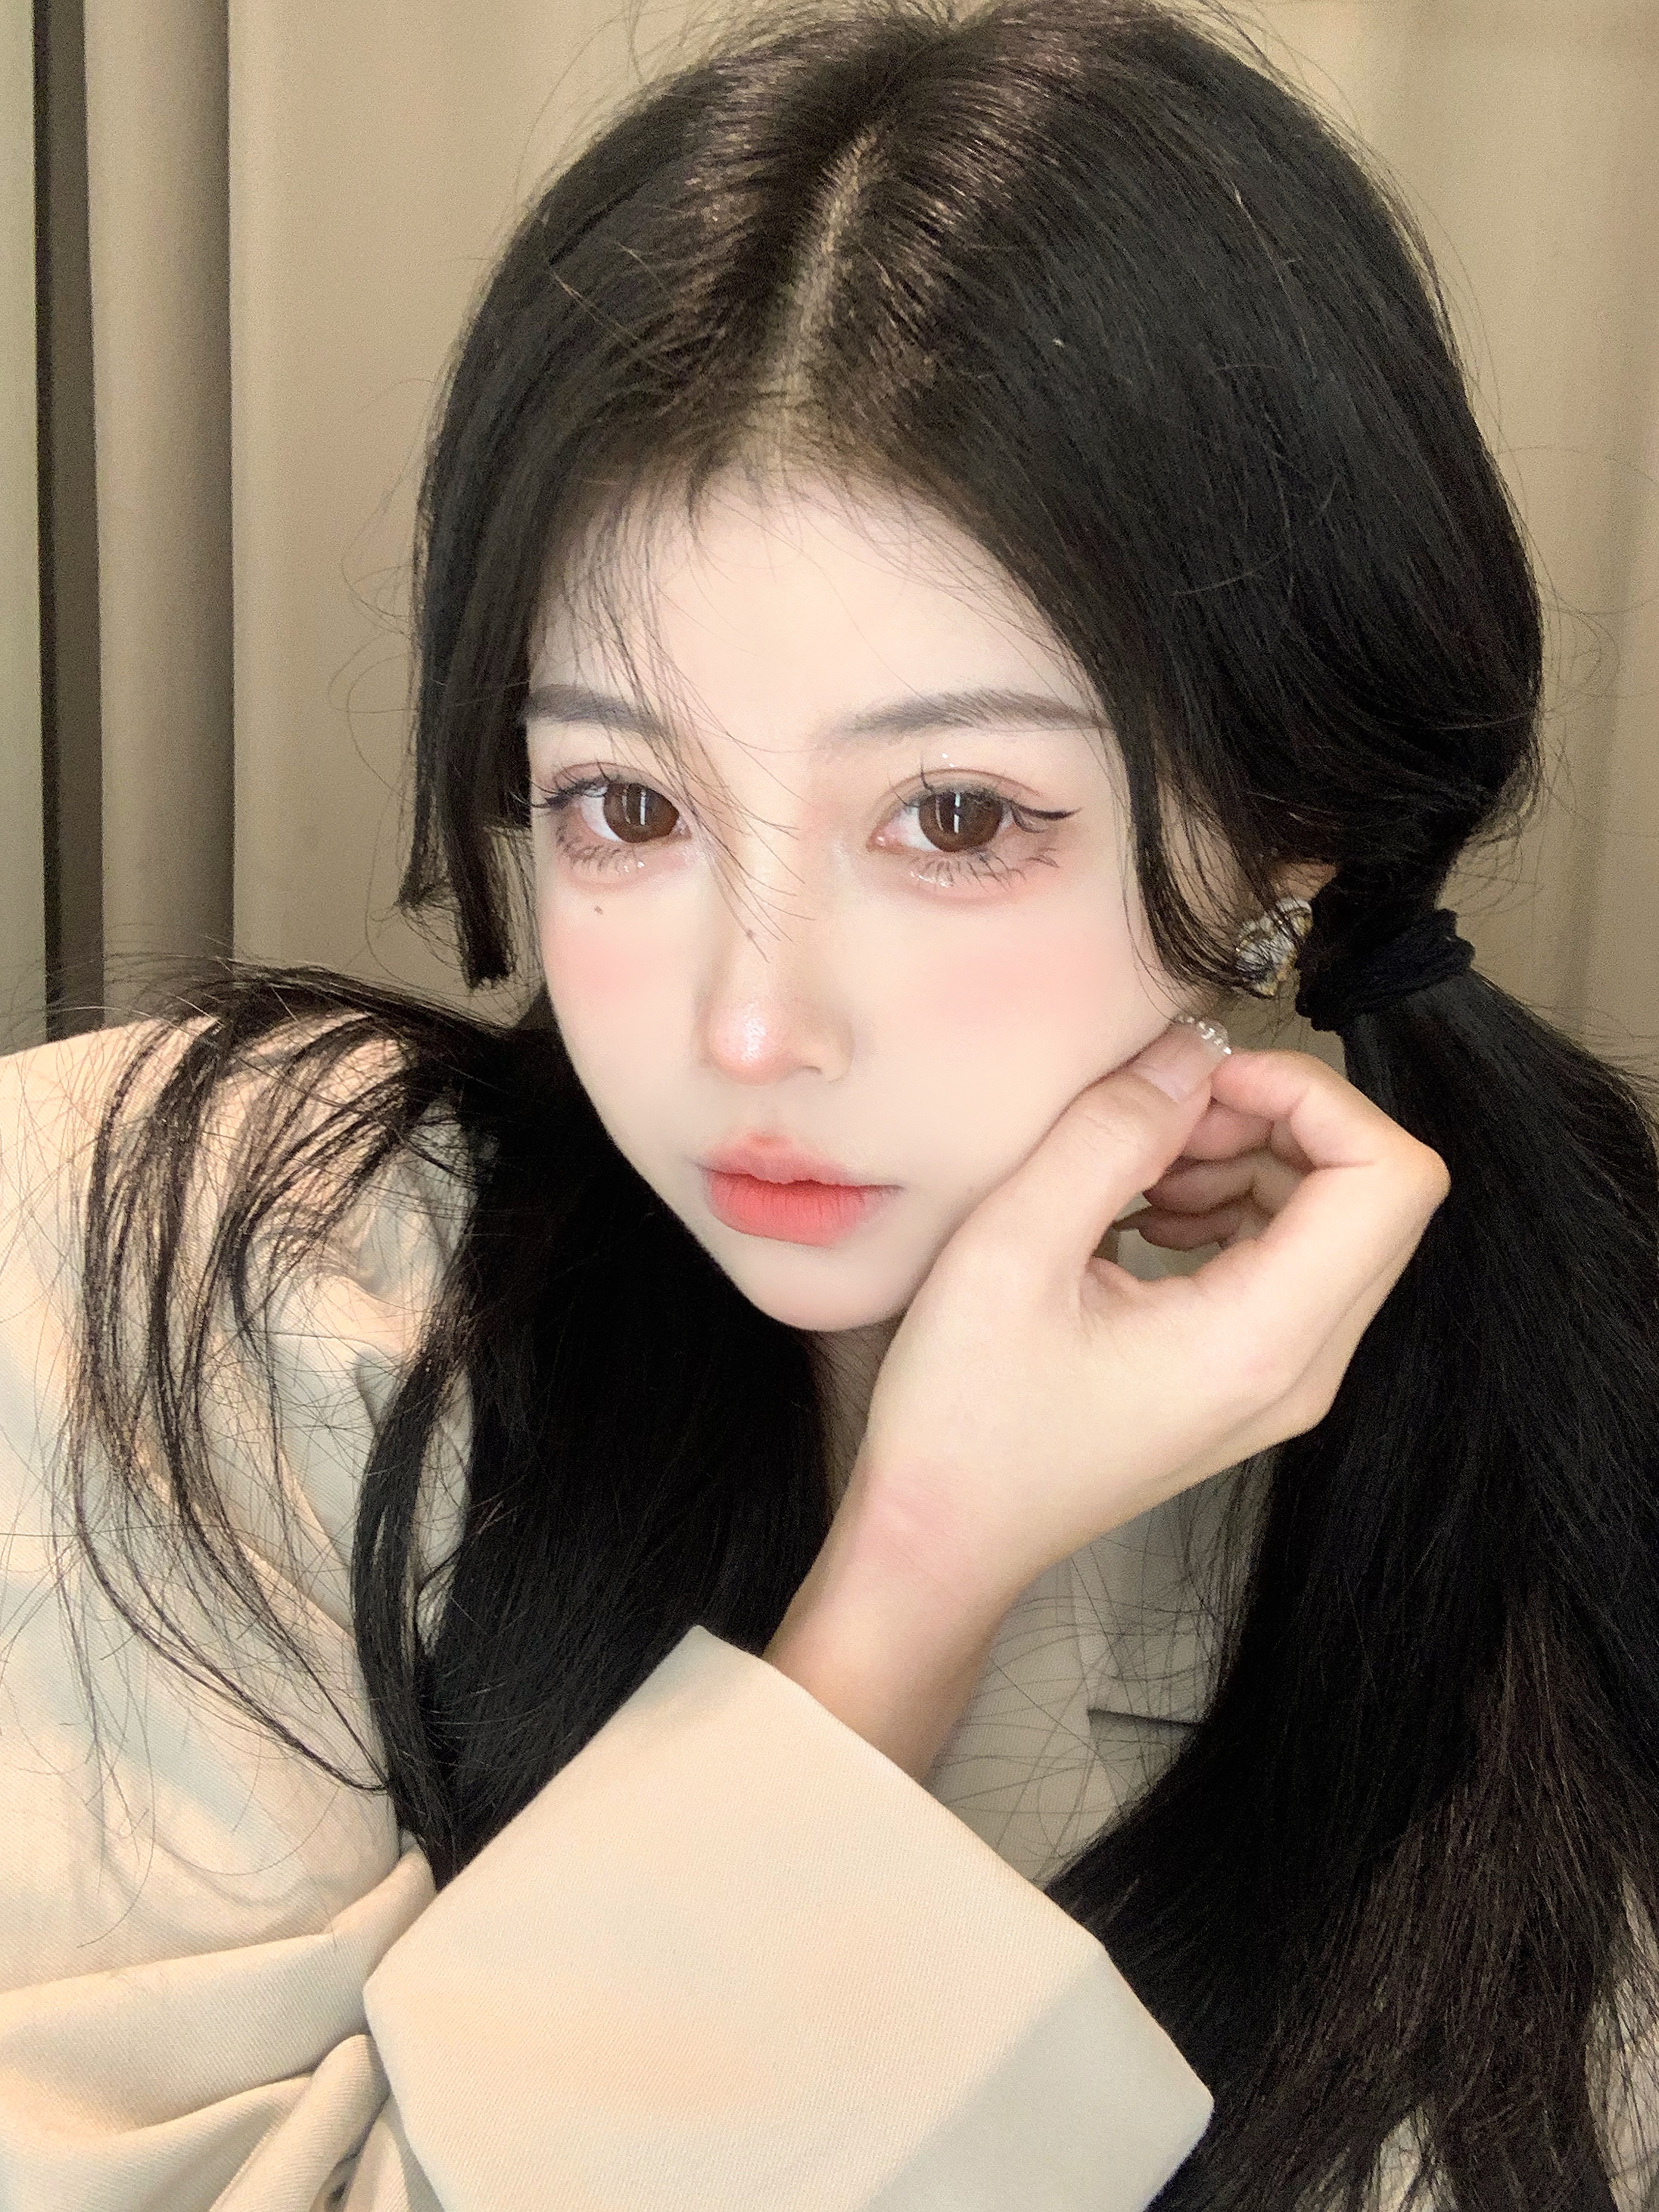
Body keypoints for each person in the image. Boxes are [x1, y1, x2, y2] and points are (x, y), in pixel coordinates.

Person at [2, 0, 1656, 2204]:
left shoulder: (1585, 1388)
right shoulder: (199, 1269)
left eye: (957, 815)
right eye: (623, 803)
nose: (749, 1028)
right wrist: (915, 1574)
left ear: (1293, 826)